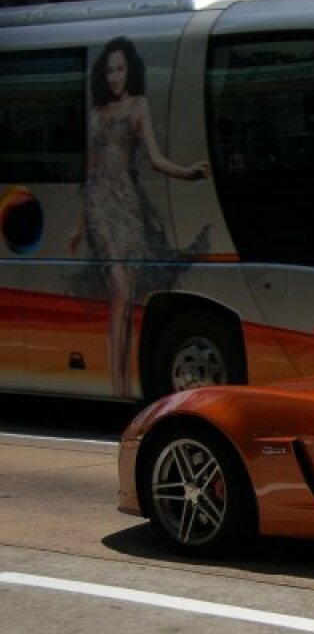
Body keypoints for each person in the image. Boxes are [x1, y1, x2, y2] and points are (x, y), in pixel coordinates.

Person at [70, 36, 210, 397]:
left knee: (125, 297)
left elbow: (155, 158)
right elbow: (90, 170)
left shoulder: (138, 106)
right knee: (119, 289)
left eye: (120, 69)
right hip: (101, 206)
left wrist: (187, 172)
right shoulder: (96, 114)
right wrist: (80, 224)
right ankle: (117, 388)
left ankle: (120, 386)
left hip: (128, 205)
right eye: (109, 70)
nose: (115, 76)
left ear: (129, 70)